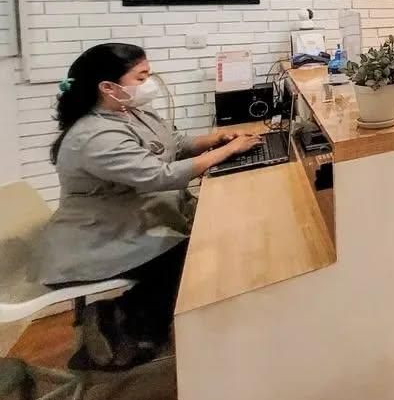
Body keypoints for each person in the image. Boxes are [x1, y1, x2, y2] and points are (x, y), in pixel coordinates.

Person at [31, 43, 263, 370]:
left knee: (213, 235)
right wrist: (227, 151)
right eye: (141, 77)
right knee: (195, 255)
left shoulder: (131, 111)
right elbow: (160, 176)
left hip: (134, 220)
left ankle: (151, 321)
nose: (149, 83)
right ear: (108, 87)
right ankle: (121, 325)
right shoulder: (94, 136)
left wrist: (217, 139)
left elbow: (174, 143)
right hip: (99, 239)